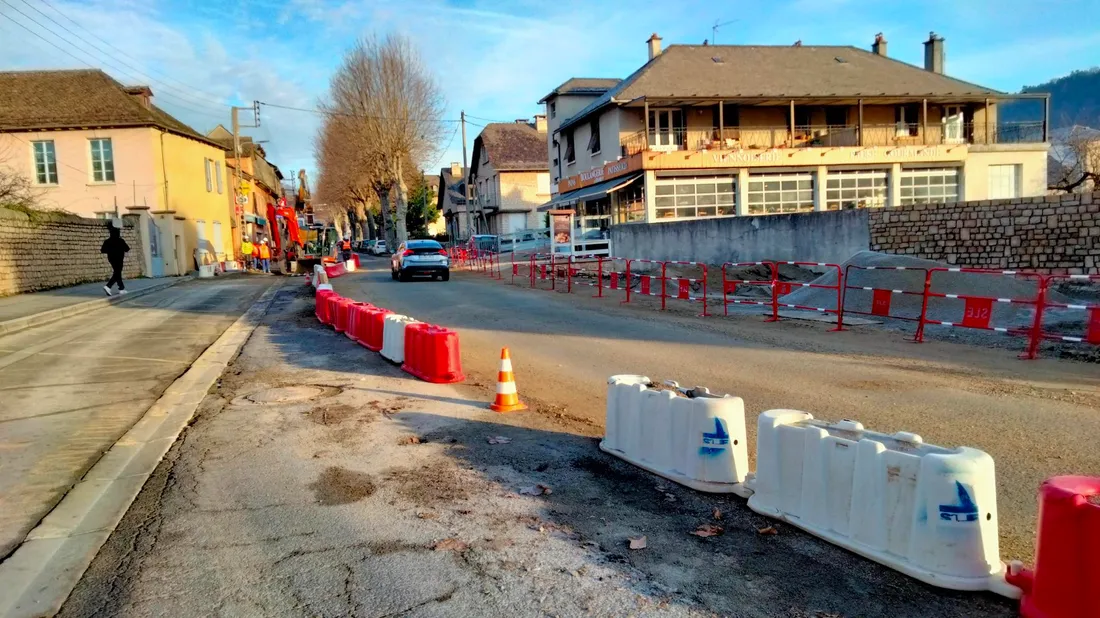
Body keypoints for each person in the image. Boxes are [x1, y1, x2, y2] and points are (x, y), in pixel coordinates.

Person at [101, 221, 130, 296]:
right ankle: (108, 286)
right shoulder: (120, 241)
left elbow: (103, 250)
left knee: (117, 272)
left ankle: (121, 288)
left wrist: (110, 250)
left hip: (111, 258)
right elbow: (127, 249)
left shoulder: (107, 241)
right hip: (119, 258)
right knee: (117, 272)